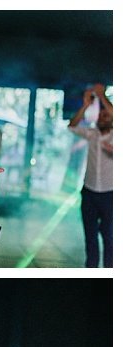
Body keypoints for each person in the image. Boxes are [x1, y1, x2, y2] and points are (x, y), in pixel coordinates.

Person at [68, 84, 112, 268]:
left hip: (111, 194)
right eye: (101, 115)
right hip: (89, 193)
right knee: (90, 237)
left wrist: (102, 97)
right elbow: (72, 126)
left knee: (111, 239)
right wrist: (86, 105)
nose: (102, 117)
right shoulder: (92, 133)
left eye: (106, 115)